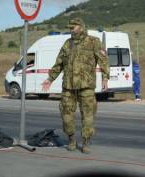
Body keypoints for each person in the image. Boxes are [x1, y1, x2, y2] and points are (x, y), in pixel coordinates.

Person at [42, 18, 109, 154]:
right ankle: (71, 139)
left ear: (81, 27)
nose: (71, 29)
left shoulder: (93, 42)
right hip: (68, 87)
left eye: (73, 27)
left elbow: (103, 61)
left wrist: (105, 77)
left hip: (86, 87)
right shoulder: (68, 44)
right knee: (66, 115)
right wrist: (50, 78)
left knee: (88, 117)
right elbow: (59, 64)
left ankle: (85, 142)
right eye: (70, 27)